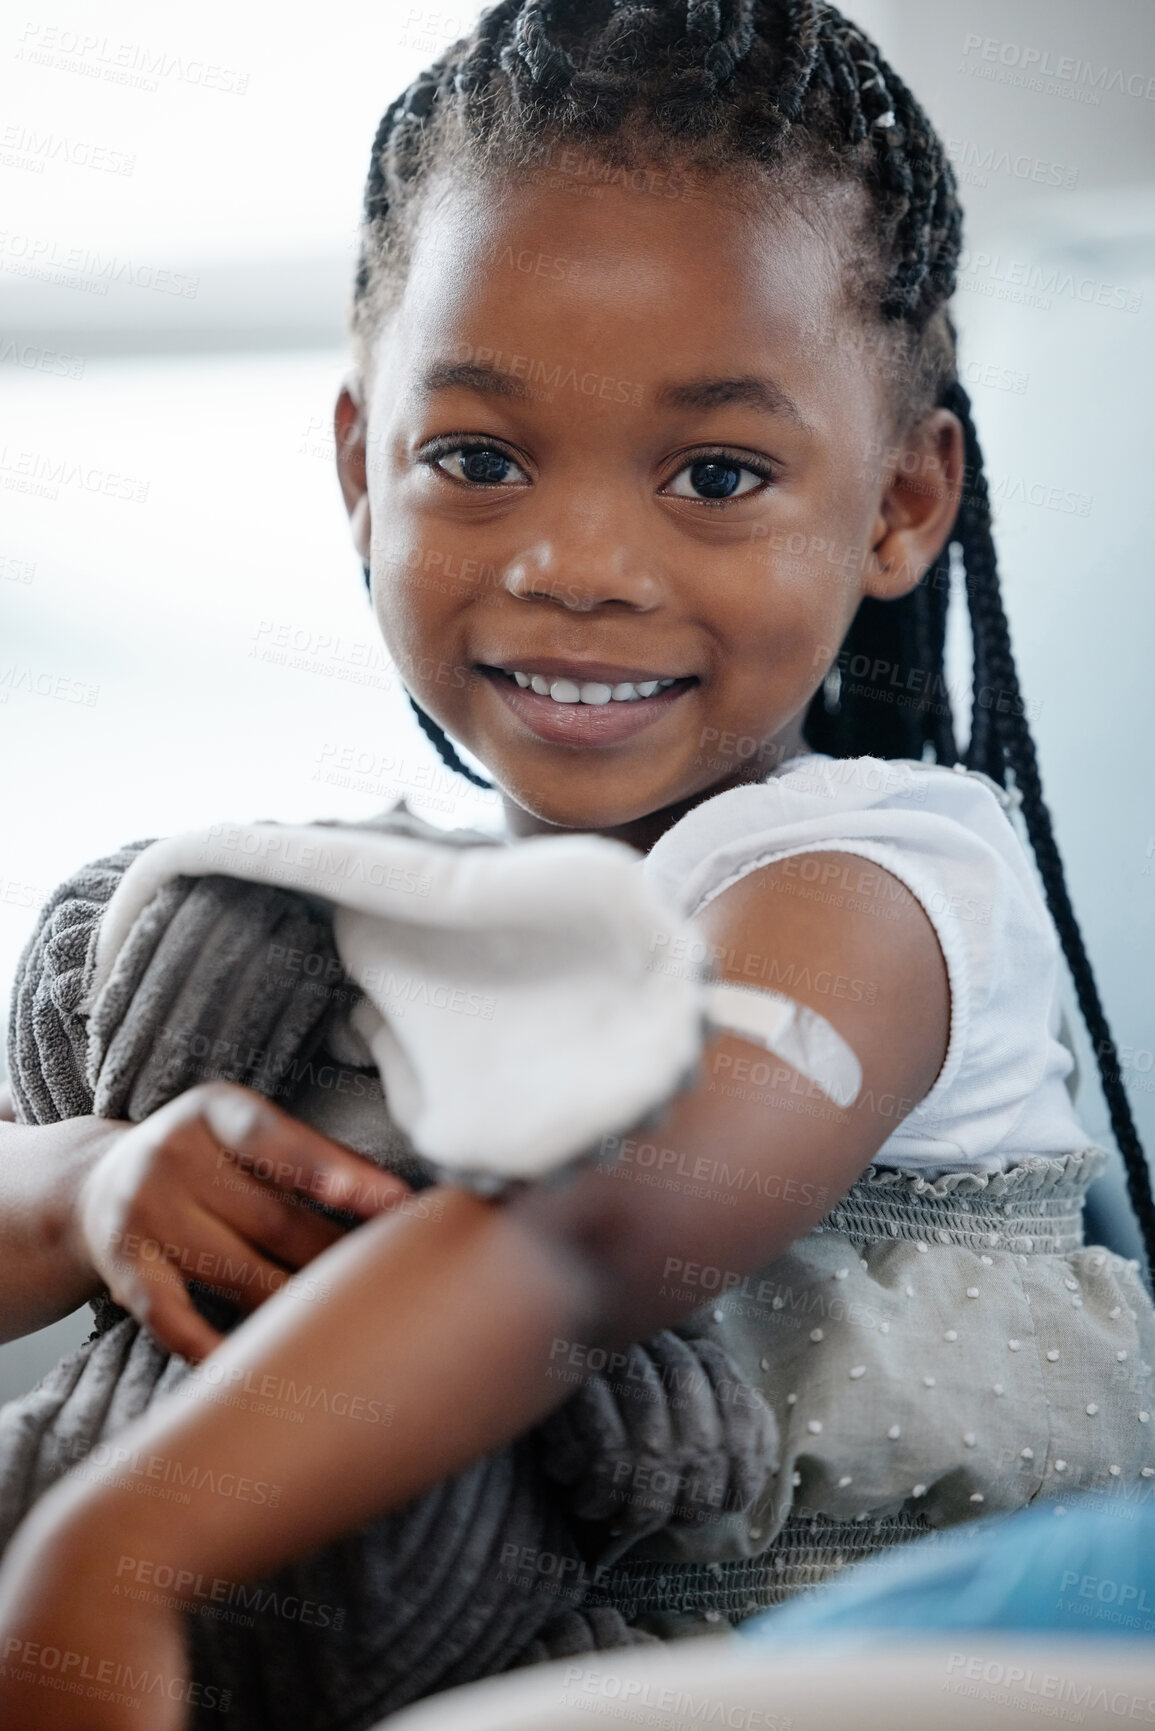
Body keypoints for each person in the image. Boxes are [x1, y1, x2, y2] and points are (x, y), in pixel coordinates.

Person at [1, 2, 1153, 1726]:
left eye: (716, 473)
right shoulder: (377, 938)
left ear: (903, 506)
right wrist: (95, 1187)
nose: (577, 563)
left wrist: (119, 1556)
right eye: (476, 457)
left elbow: (603, 1233)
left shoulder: (872, 881)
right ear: (357, 469)